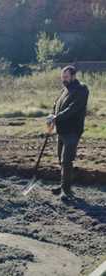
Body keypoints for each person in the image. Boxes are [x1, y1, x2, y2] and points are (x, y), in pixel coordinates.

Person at [48, 65, 89, 200]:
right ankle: (63, 185)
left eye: (66, 77)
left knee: (67, 160)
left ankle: (67, 190)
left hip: (72, 131)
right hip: (61, 130)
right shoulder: (64, 90)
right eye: (62, 77)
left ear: (73, 76)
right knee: (61, 159)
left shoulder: (82, 89)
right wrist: (52, 116)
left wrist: (57, 117)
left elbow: (73, 108)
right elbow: (56, 106)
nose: (63, 80)